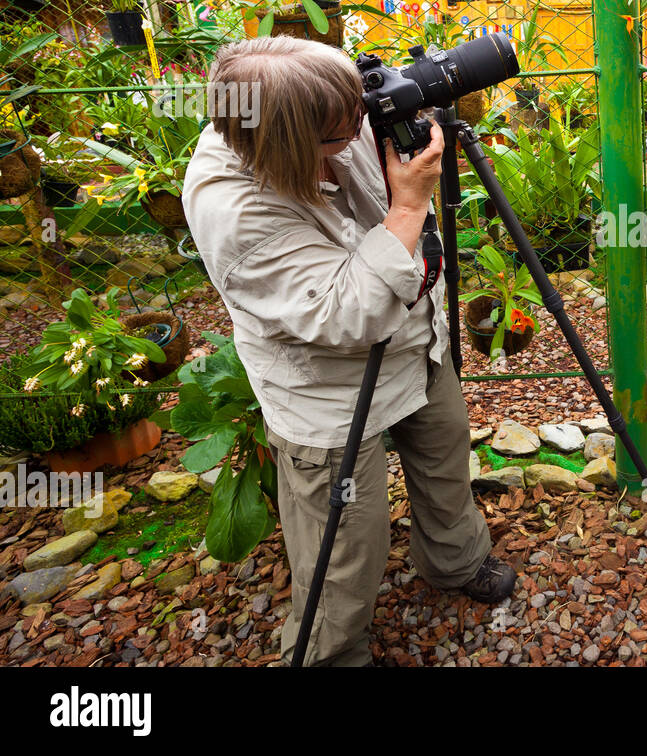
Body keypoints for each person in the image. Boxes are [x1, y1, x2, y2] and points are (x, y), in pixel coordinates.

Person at [183, 36, 517, 667]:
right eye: (344, 132)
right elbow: (343, 315)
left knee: (446, 462)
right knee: (345, 542)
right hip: (327, 392)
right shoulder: (232, 209)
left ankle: (455, 561)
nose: (362, 127)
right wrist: (412, 202)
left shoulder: (325, 111)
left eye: (360, 109)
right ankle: (330, 652)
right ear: (290, 147)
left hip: (416, 342)